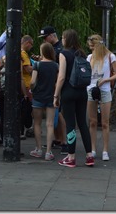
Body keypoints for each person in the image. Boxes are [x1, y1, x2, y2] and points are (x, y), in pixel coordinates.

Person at [53, 29, 94, 168]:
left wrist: (56, 95)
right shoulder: (81, 53)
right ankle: (89, 156)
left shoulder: (63, 54)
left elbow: (62, 76)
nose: (62, 39)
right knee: (83, 123)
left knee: (70, 125)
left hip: (68, 93)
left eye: (63, 37)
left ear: (66, 39)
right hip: (82, 92)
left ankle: (71, 157)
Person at [86, 35, 116, 161]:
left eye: (92, 46)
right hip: (91, 89)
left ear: (98, 45)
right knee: (93, 121)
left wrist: (105, 80)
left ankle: (105, 150)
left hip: (105, 90)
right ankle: (93, 148)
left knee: (105, 122)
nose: (91, 49)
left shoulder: (110, 57)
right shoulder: (89, 57)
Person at [38, 26, 67, 155]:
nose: (44, 40)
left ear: (51, 36)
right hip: (53, 85)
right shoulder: (55, 48)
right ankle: (57, 139)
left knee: (58, 114)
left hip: (58, 85)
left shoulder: (60, 48)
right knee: (55, 114)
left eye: (45, 37)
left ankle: (64, 141)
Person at [29, 42, 58, 161]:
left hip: (38, 96)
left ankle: (38, 149)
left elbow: (32, 81)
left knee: (37, 123)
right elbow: (57, 82)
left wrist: (32, 90)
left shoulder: (37, 65)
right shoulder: (56, 66)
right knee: (50, 124)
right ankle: (48, 152)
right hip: (51, 96)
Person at [21, 35, 34, 139]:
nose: (31, 47)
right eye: (31, 44)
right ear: (27, 43)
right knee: (27, 108)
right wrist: (39, 66)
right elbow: (27, 69)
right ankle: (28, 127)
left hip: (23, 84)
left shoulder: (18, 52)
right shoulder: (24, 54)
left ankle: (24, 128)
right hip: (26, 84)